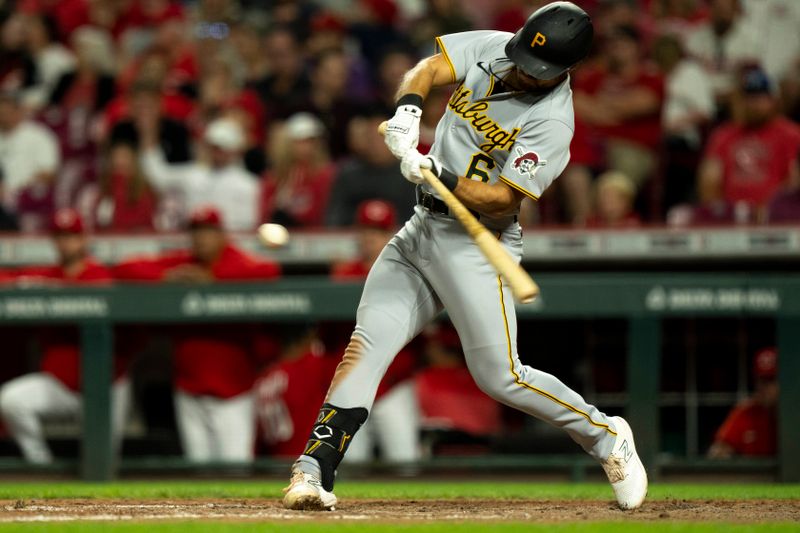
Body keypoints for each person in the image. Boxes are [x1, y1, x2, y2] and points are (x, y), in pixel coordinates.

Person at [282, 2, 647, 512]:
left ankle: (606, 436)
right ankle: (314, 467)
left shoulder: (554, 120)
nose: (522, 69)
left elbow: (503, 198)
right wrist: (408, 109)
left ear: (566, 70)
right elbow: (429, 68)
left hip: (481, 243)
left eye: (537, 69)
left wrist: (439, 173)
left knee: (502, 376)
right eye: (523, 57)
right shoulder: (495, 46)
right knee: (367, 344)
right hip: (422, 228)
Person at [113, 206, 280, 463]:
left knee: (236, 472)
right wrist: (165, 277)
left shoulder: (234, 260)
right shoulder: (184, 263)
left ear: (221, 234)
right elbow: (125, 268)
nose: (201, 238)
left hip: (233, 392)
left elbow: (269, 271)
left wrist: (213, 279)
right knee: (199, 473)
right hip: (188, 389)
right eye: (196, 232)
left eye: (208, 231)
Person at [0, 208, 131, 464]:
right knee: (11, 400)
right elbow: (9, 278)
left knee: (104, 463)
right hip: (61, 384)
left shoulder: (99, 275)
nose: (65, 242)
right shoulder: (49, 275)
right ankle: (41, 465)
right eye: (60, 236)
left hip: (105, 385)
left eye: (72, 235)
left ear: (84, 239)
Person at [697, 66, 800, 223]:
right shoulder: (724, 134)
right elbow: (710, 180)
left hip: (775, 215)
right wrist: (720, 211)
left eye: (759, 97)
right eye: (749, 97)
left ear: (773, 100)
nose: (753, 104)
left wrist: (772, 209)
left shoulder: (791, 134)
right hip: (732, 214)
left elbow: (794, 181)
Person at [139, 117, 260, 231]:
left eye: (222, 148)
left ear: (234, 150)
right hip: (194, 240)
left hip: (230, 244)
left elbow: (247, 224)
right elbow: (159, 178)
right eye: (214, 147)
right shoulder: (193, 175)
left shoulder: (248, 183)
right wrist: (148, 136)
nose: (217, 152)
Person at [708, 348, 778, 458]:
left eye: (770, 380)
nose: (762, 386)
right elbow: (717, 455)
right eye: (759, 380)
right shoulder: (747, 412)